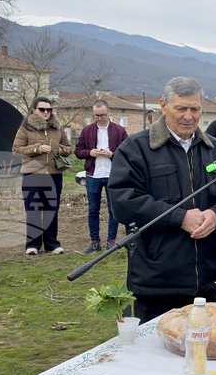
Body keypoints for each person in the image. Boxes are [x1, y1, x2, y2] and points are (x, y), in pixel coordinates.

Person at [108, 77, 216, 375]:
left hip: (204, 276)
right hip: (156, 274)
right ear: (163, 106)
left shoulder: (215, 150)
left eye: (195, 109)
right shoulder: (136, 149)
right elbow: (123, 201)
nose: (189, 116)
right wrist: (180, 217)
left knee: (199, 353)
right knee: (151, 360)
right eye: (181, 108)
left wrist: (215, 214)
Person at [12, 97, 73, 256]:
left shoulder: (58, 128)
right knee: (33, 210)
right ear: (34, 110)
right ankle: (33, 245)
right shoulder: (25, 128)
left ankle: (52, 244)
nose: (46, 112)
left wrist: (57, 149)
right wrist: (37, 149)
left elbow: (68, 149)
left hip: (54, 175)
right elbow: (16, 150)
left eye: (49, 109)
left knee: (51, 210)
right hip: (32, 175)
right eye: (42, 109)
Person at [75, 99, 129, 254]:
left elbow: (128, 152)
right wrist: (89, 153)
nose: (99, 118)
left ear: (109, 112)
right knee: (93, 209)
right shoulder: (87, 130)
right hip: (93, 174)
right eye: (96, 115)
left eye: (102, 115)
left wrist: (112, 154)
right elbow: (78, 151)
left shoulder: (120, 130)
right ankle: (95, 241)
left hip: (113, 174)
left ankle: (111, 241)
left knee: (113, 209)